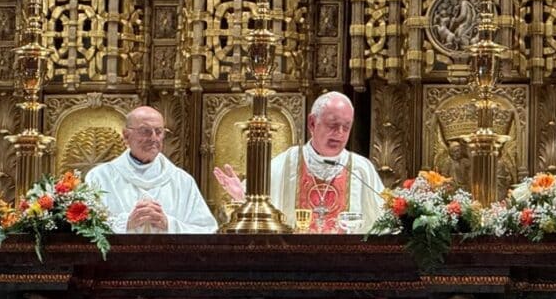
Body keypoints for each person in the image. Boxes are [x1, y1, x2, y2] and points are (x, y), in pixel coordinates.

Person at [213, 92, 385, 233]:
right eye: (333, 125)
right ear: (312, 123)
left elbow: (385, 225)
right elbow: (258, 212)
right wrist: (242, 196)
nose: (339, 133)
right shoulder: (287, 163)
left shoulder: (361, 170)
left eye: (346, 127)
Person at [86, 106, 218, 234]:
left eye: (159, 131)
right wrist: (126, 223)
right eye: (145, 131)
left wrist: (169, 224)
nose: (154, 138)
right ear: (126, 136)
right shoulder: (100, 177)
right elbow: (85, 228)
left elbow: (206, 230)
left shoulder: (182, 181)